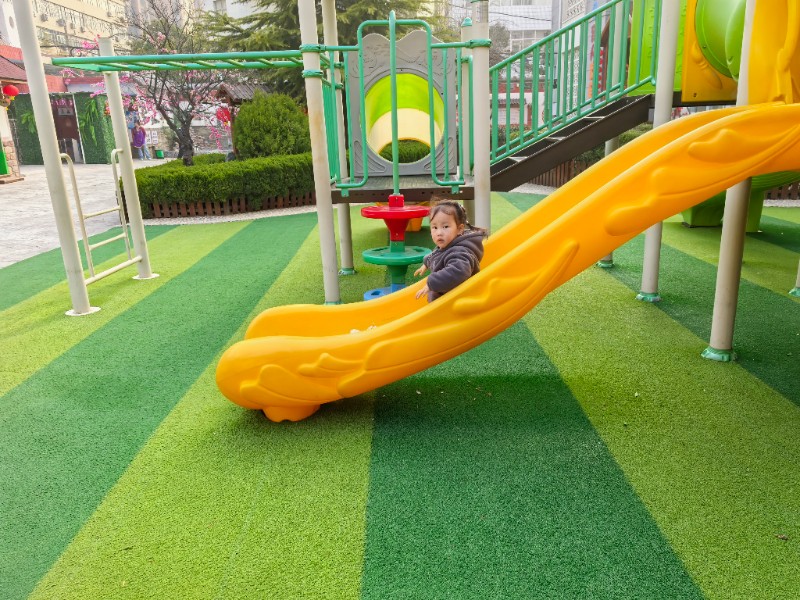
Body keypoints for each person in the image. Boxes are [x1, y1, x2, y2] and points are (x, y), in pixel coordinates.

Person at [414, 200, 487, 303]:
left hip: (456, 303)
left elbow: (459, 271)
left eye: (445, 227)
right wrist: (427, 263)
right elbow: (438, 253)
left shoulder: (459, 251)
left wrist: (432, 283)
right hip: (445, 301)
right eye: (435, 227)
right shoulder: (448, 245)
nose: (439, 232)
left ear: (460, 229)